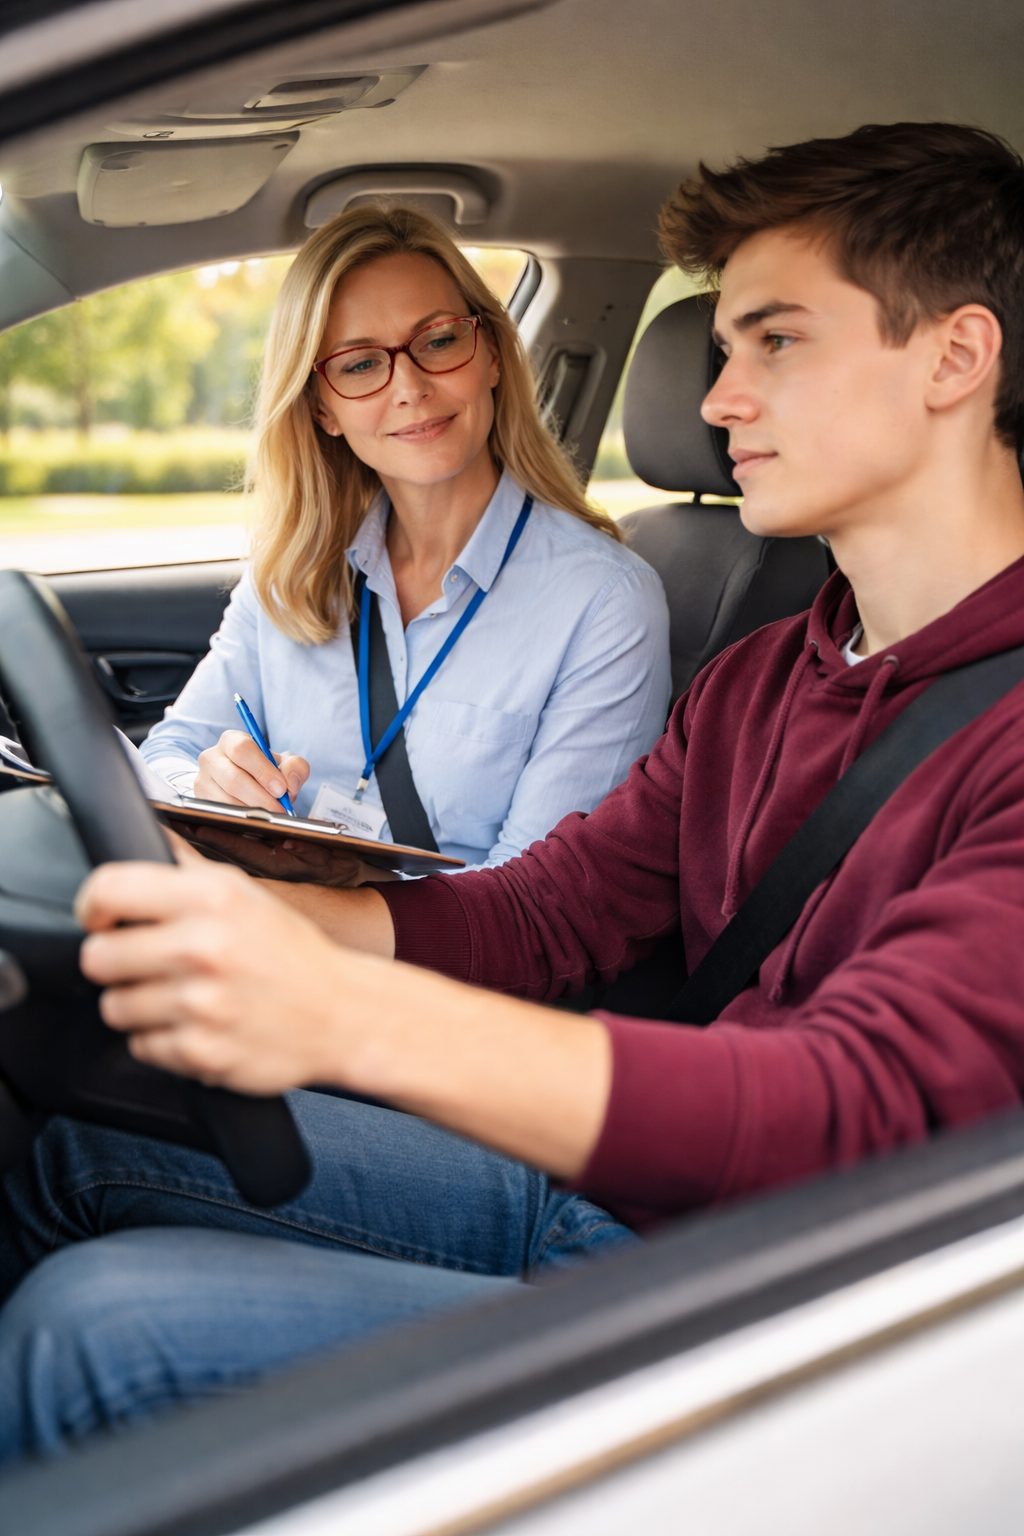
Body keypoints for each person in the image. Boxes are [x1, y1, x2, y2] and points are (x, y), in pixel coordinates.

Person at [3, 120, 1024, 1463]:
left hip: (780, 1301)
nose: (719, 403)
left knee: (89, 1328)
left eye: (775, 341)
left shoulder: (992, 734)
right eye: (721, 352)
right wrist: (239, 905)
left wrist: (340, 1014)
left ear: (956, 357)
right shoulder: (767, 676)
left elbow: (845, 1108)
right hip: (630, 1196)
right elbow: (540, 913)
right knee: (70, 1148)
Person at [140, 204, 670, 873]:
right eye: (361, 365)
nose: (411, 387)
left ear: (493, 358)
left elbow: (534, 910)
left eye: (440, 341)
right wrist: (207, 789)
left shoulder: (604, 600)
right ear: (321, 409)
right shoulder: (290, 575)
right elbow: (166, 754)